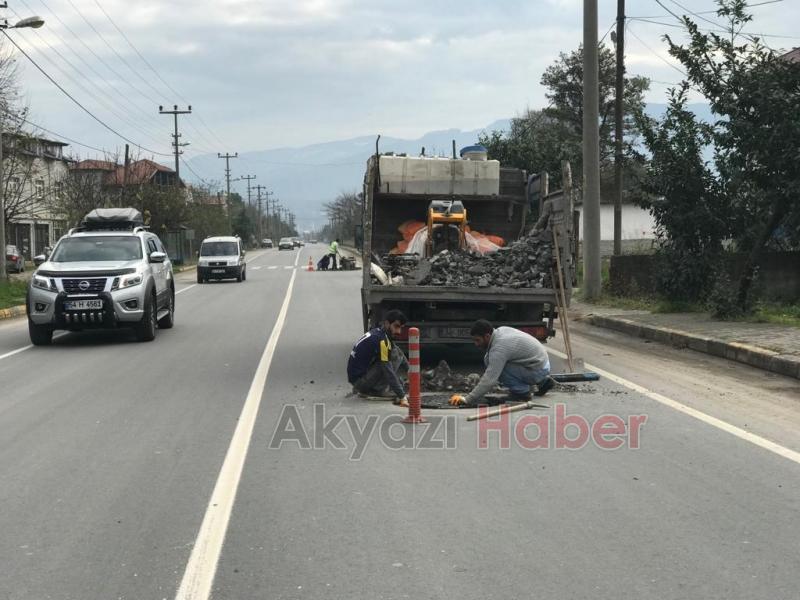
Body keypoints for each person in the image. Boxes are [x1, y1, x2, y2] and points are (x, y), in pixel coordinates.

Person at [449, 319, 554, 406]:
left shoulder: (499, 348)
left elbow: (490, 378)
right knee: (488, 359)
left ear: (487, 336)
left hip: (538, 368)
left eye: (478, 340)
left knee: (500, 367)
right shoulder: (500, 331)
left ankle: (522, 394)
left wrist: (467, 399)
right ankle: (543, 382)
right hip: (541, 364)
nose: (476, 344)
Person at [347, 309, 410, 406]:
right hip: (360, 383)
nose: (399, 331)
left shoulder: (379, 332)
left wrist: (411, 371)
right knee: (393, 357)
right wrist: (402, 396)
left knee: (395, 352)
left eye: (401, 328)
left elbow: (397, 350)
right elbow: (388, 371)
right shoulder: (382, 341)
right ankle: (376, 390)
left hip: (358, 378)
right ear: (387, 324)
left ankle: (376, 386)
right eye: (396, 326)